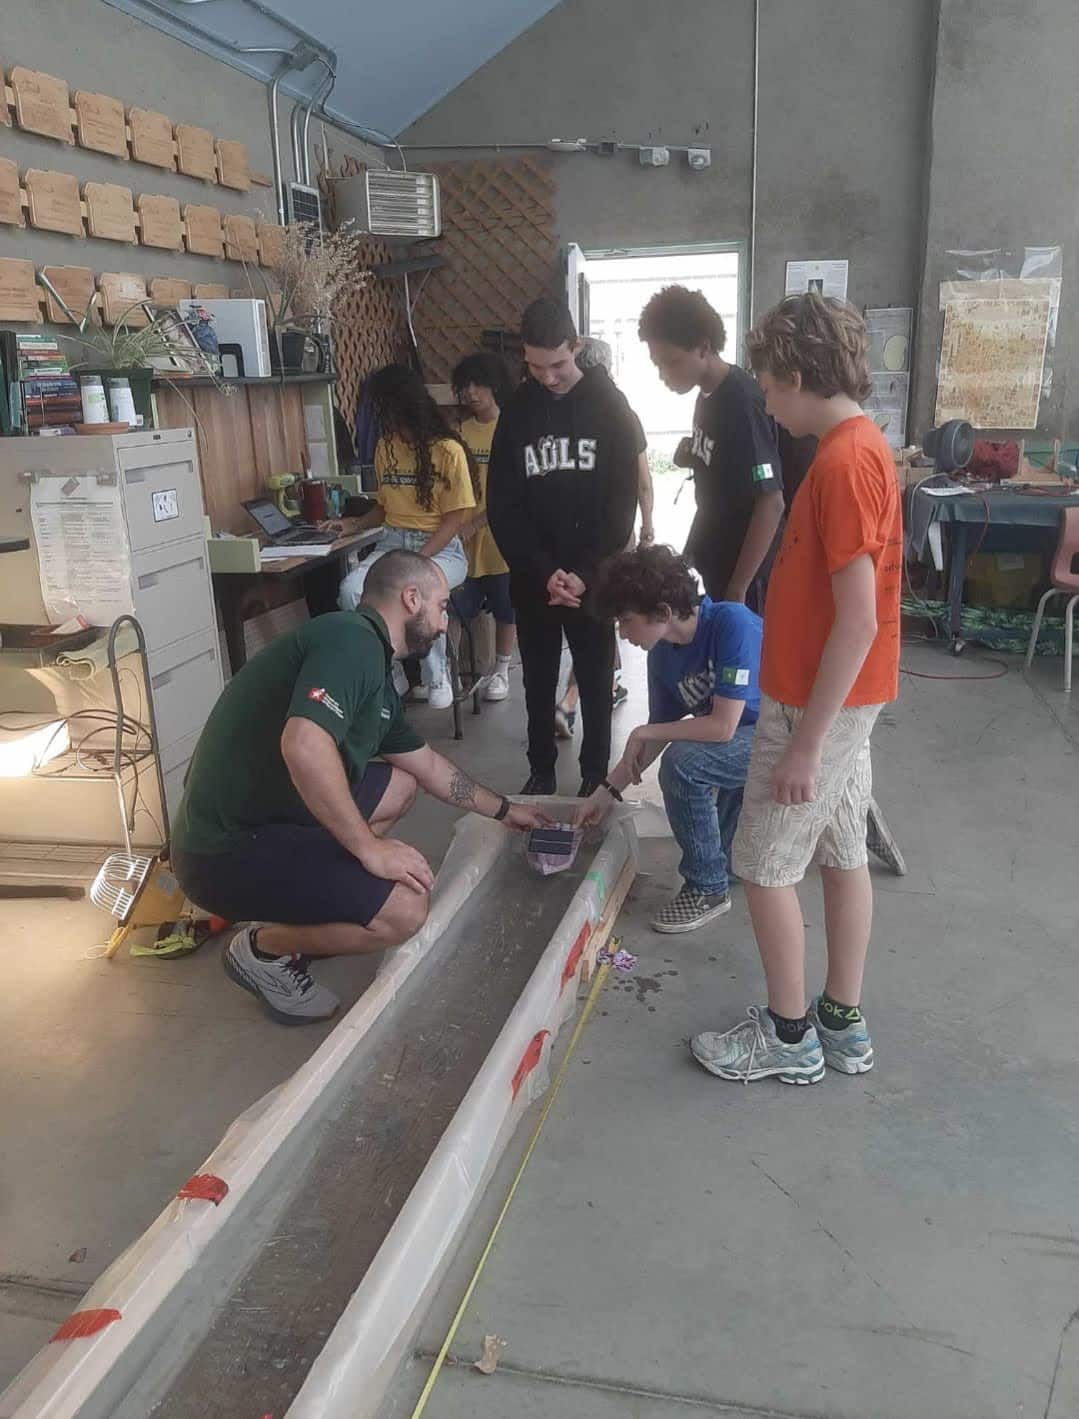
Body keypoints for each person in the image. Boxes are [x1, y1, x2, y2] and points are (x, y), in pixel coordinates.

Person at [171, 550, 552, 1025]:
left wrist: (505, 810)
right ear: (411, 598)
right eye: (441, 607)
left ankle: (316, 898)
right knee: (405, 911)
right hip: (221, 851)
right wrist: (369, 849)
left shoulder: (371, 664)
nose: (443, 624)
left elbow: (429, 767)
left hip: (264, 813)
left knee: (400, 784)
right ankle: (262, 949)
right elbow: (304, 745)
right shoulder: (351, 641)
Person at [689, 293, 902, 1085]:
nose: (768, 405)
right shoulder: (855, 448)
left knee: (764, 865)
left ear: (801, 375)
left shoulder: (843, 464)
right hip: (840, 701)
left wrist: (805, 743)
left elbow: (858, 618)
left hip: (814, 705)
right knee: (841, 852)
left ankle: (787, 1036)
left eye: (771, 387)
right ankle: (840, 1019)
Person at [487, 299, 641, 797]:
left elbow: (621, 502)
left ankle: (596, 775)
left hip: (591, 577)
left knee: (595, 680)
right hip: (535, 578)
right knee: (536, 681)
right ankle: (541, 769)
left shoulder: (609, 405)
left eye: (556, 364)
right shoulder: (518, 410)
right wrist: (541, 571)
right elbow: (503, 504)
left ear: (575, 347)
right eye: (535, 367)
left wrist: (586, 573)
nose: (548, 377)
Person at [577, 545, 761, 933]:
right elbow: (658, 733)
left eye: (626, 621)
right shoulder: (663, 655)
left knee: (685, 763)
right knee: (731, 863)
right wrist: (603, 794)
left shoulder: (732, 623)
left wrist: (645, 731)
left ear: (662, 612)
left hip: (785, 736)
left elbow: (723, 727)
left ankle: (707, 889)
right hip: (739, 747)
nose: (622, 634)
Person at [336, 365, 478, 710]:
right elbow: (384, 508)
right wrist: (354, 524)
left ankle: (437, 674)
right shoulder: (386, 447)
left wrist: (417, 561)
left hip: (441, 548)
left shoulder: (448, 451)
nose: (382, 419)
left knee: (418, 591)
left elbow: (454, 520)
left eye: (385, 409)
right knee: (351, 592)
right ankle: (393, 669)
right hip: (392, 543)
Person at [638, 285, 785, 612]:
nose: (663, 375)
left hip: (746, 579)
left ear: (704, 348)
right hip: (717, 563)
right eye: (657, 365)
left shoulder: (742, 402)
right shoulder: (706, 396)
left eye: (671, 363)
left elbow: (771, 501)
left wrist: (738, 588)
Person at [555, 336, 654, 736]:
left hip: (569, 538)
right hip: (613, 539)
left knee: (598, 618)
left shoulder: (563, 414)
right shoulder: (621, 413)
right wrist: (646, 529)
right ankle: (570, 699)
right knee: (600, 618)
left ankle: (607, 687)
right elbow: (642, 481)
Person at [451, 351, 517, 703]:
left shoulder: (511, 428)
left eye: (478, 384)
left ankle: (502, 671)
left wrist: (478, 522)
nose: (471, 392)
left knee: (506, 608)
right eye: (465, 386)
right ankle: (447, 675)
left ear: (494, 385)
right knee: (456, 608)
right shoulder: (458, 434)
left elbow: (512, 492)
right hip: (463, 540)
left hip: (500, 538)